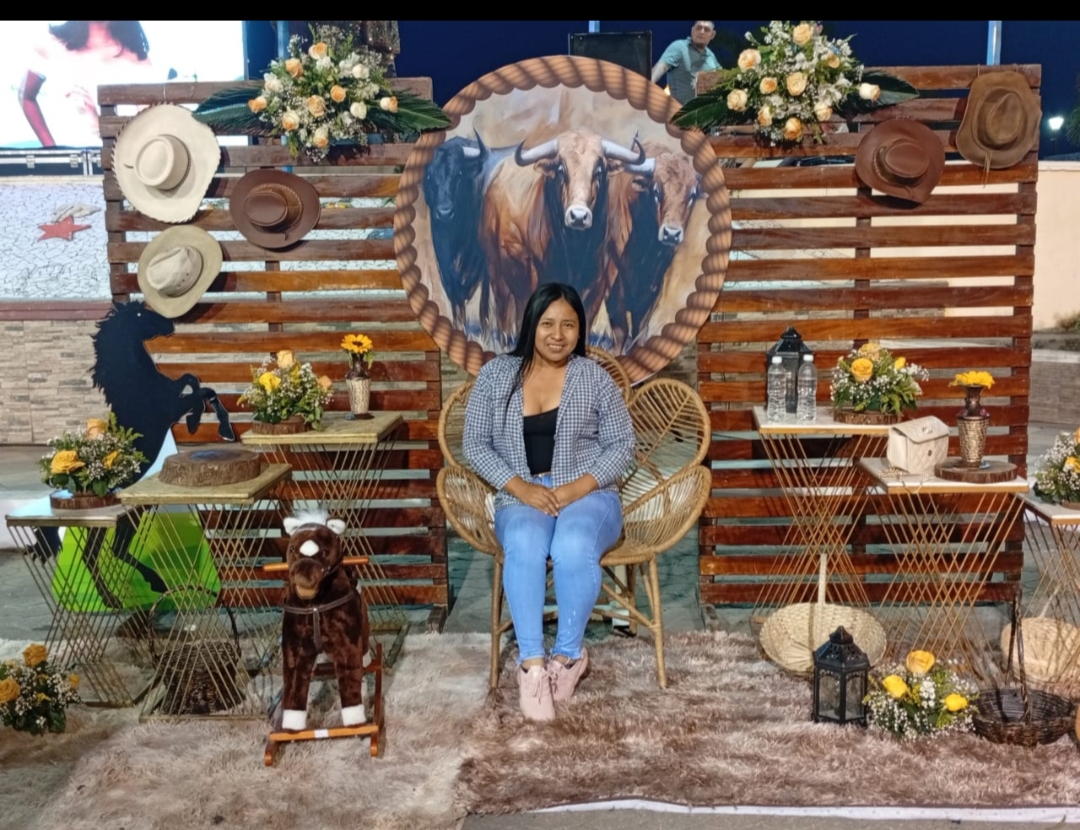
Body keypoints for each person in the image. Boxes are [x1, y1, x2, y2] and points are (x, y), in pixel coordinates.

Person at [463, 283, 636, 721]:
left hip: (590, 494)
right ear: (531, 325)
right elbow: (475, 443)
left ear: (580, 331)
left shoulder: (594, 378)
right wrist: (520, 487)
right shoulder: (497, 375)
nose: (557, 335)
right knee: (524, 540)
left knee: (573, 545)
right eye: (547, 324)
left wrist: (576, 488)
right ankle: (533, 666)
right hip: (522, 494)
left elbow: (622, 445)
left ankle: (568, 657)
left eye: (568, 325)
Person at [18, 21, 160, 148]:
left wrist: (98, 125)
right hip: (66, 163)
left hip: (116, 164)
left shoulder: (138, 60)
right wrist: (51, 149)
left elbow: (147, 137)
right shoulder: (51, 44)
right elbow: (26, 97)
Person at [651, 21, 721, 105]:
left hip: (707, 111)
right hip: (679, 110)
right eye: (698, 28)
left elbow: (723, 78)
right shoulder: (679, 47)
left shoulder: (711, 56)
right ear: (692, 30)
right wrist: (647, 84)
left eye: (706, 30)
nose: (702, 32)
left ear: (712, 35)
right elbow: (661, 67)